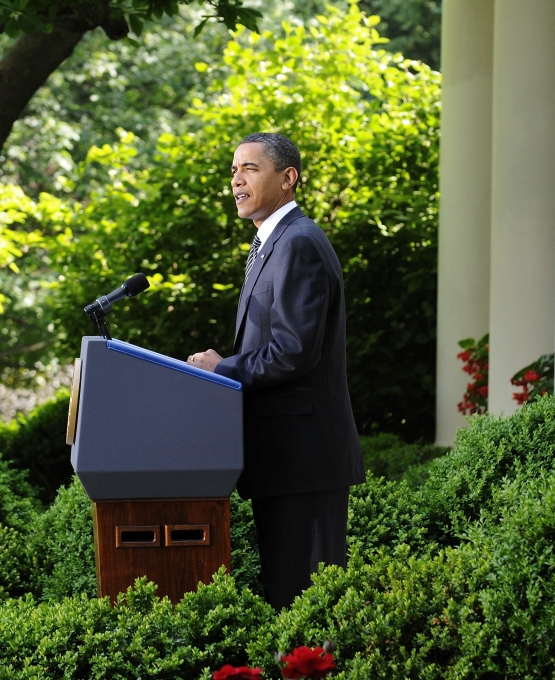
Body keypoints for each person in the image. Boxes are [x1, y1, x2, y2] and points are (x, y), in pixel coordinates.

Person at [187, 132, 365, 610]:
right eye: (233, 170)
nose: (236, 180)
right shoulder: (274, 243)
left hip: (303, 461)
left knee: (306, 610)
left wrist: (221, 367)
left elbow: (292, 351)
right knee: (291, 605)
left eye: (249, 168)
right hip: (285, 463)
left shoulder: (298, 244)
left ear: (288, 179)